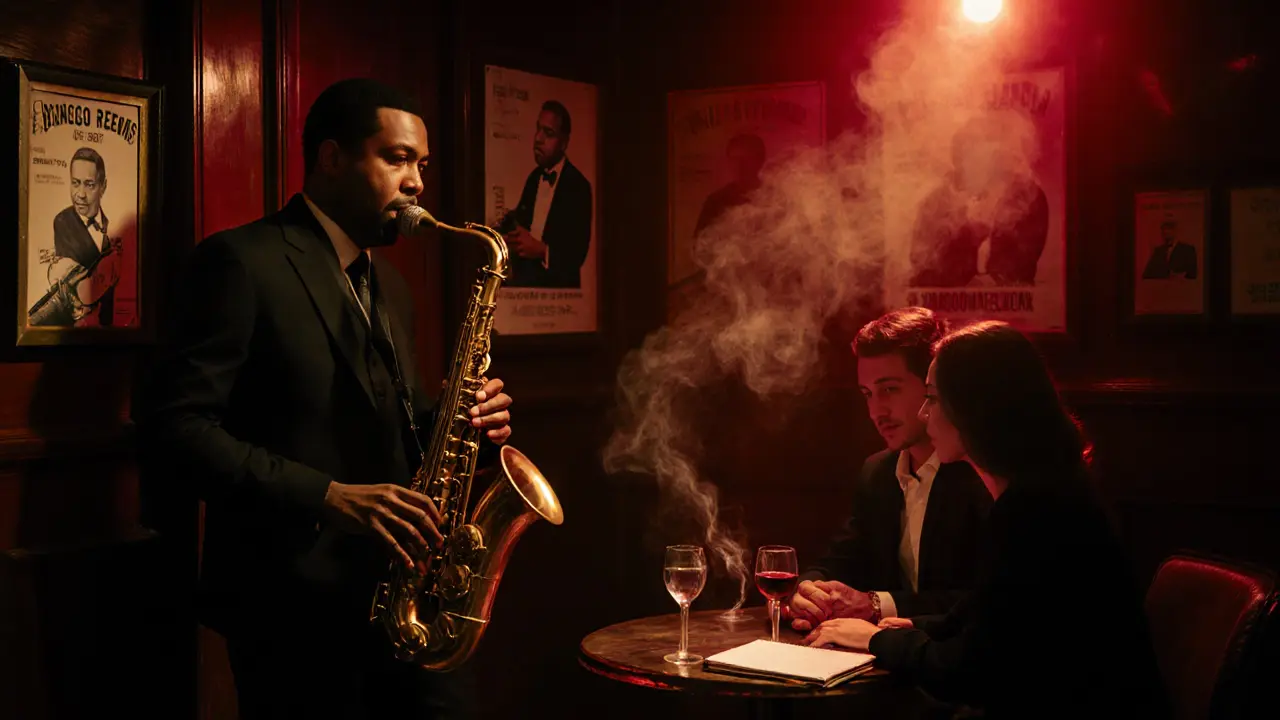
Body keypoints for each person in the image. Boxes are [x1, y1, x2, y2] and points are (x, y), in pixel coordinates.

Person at [134, 78, 515, 719]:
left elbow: (400, 426)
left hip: (406, 600)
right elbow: (175, 429)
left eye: (421, 164)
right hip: (292, 611)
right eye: (396, 158)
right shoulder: (240, 262)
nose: (417, 181)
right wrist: (328, 496)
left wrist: (470, 420)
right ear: (331, 158)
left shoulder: (389, 284)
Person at [803, 321, 1169, 718]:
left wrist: (876, 639)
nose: (925, 414)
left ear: (976, 408)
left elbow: (970, 670)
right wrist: (906, 624)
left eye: (933, 398)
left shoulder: (1038, 513)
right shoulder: (1044, 494)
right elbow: (984, 614)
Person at [787, 308, 990, 632]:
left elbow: (988, 603)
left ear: (932, 384)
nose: (875, 411)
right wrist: (811, 590)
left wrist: (877, 605)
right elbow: (842, 559)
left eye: (889, 389)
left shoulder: (981, 475)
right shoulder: (878, 471)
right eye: (867, 394)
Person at [498, 99, 593, 288]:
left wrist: (542, 251)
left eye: (548, 133)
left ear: (564, 143)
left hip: (560, 295)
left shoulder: (579, 187)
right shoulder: (534, 178)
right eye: (538, 129)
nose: (538, 139)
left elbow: (577, 258)